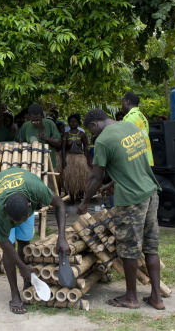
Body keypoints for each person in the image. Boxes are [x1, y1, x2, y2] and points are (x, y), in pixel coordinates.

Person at [78, 109, 164, 310]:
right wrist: (112, 185)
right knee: (151, 248)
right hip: (150, 193)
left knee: (129, 250)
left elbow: (95, 178)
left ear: (93, 125)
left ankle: (131, 297)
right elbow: (130, 164)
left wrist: (84, 203)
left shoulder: (103, 141)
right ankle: (156, 297)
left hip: (132, 201)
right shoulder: (131, 126)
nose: (93, 135)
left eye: (92, 132)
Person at [0, 167, 69, 314]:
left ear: (30, 205)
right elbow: (3, 242)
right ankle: (14, 294)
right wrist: (21, 266)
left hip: (25, 188)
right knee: (10, 247)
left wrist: (62, 238)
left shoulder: (37, 189)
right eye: (14, 221)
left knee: (25, 242)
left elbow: (59, 205)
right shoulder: (1, 210)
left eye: (21, 220)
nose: (17, 223)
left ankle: (27, 283)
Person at [14, 104, 62, 169]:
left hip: (47, 165)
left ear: (42, 116)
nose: (36, 122)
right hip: (30, 164)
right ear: (29, 116)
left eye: (38, 120)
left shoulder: (50, 123)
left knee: (48, 179)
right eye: (33, 120)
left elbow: (58, 143)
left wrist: (47, 138)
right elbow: (20, 142)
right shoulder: (26, 125)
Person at [62, 114, 92, 202]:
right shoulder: (65, 135)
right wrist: (63, 160)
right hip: (70, 158)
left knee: (81, 178)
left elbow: (86, 146)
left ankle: (81, 196)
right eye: (71, 121)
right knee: (70, 179)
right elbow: (63, 148)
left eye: (75, 121)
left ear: (78, 123)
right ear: (68, 123)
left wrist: (86, 159)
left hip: (80, 158)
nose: (73, 123)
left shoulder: (82, 134)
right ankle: (71, 198)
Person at [122, 92, 154, 166]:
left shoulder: (129, 117)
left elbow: (126, 140)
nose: (122, 105)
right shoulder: (142, 116)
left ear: (128, 102)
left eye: (122, 102)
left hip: (136, 161)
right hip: (146, 158)